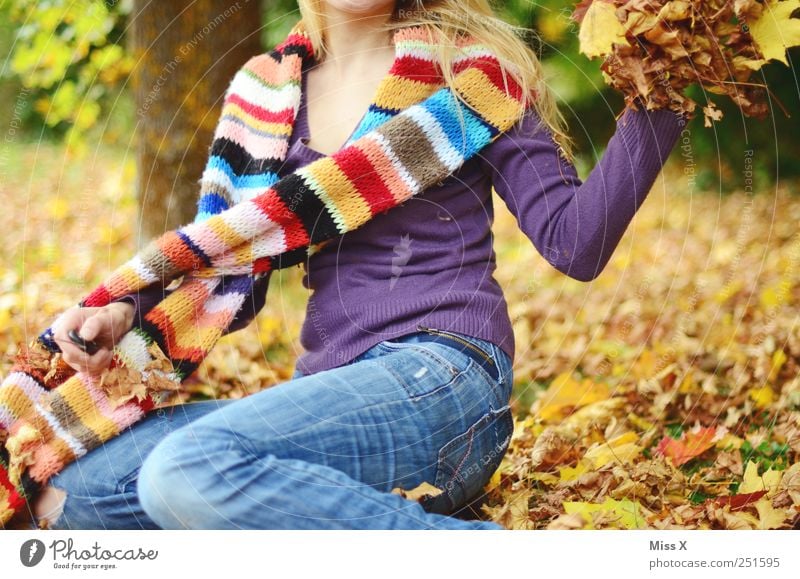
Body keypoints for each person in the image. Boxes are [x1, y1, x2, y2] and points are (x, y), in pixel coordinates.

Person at [34, 0, 683, 530]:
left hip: (446, 381)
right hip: (330, 394)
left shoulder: (474, 75)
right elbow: (231, 277)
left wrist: (667, 84)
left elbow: (577, 241)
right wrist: (128, 311)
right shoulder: (266, 92)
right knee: (75, 495)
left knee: (185, 471)